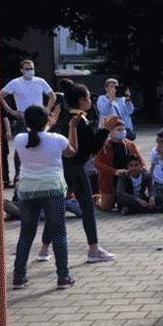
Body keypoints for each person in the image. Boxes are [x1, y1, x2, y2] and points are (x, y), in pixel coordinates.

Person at [12, 104, 78, 290]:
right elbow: (72, 152)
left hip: (27, 190)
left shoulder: (19, 138)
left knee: (26, 234)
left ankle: (19, 277)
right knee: (59, 234)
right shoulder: (57, 139)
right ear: (47, 120)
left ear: (25, 121)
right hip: (52, 189)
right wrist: (71, 127)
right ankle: (63, 277)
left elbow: (36, 137)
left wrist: (47, 124)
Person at [51, 81, 114, 263]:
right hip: (75, 167)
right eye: (87, 97)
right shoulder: (78, 121)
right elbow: (91, 149)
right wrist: (104, 131)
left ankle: (44, 248)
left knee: (57, 207)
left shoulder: (65, 117)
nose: (90, 100)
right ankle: (94, 250)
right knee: (87, 208)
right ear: (82, 100)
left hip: (61, 167)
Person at [0, 59, 55, 179]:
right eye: (27, 69)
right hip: (23, 117)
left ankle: (40, 172)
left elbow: (52, 96)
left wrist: (46, 110)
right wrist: (11, 111)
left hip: (39, 117)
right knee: (22, 144)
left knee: (41, 143)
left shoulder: (40, 81)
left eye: (32, 69)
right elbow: (0, 95)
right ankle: (18, 174)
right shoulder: (15, 83)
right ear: (21, 70)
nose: (30, 71)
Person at [92, 115, 143, 212]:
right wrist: (114, 171)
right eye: (118, 130)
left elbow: (140, 160)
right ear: (110, 131)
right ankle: (96, 198)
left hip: (126, 179)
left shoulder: (130, 144)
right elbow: (97, 164)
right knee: (106, 207)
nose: (122, 132)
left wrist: (137, 170)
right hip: (109, 180)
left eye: (123, 130)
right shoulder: (103, 145)